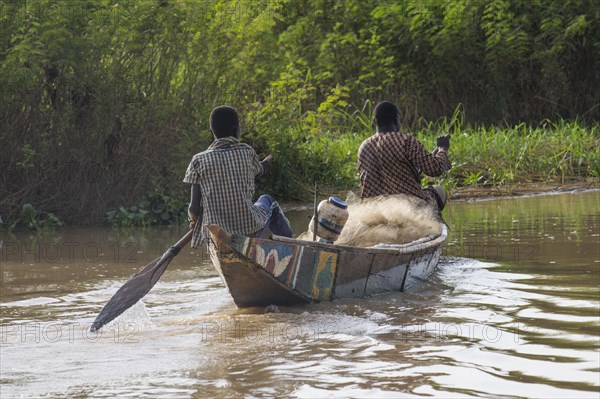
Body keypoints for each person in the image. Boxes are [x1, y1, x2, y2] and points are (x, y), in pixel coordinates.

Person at [183, 106, 293, 248]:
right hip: (249, 230)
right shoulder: (247, 152)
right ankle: (290, 243)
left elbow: (194, 209)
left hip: (217, 236)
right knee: (268, 201)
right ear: (237, 130)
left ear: (212, 132)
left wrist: (193, 221)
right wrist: (265, 163)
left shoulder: (198, 160)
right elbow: (259, 170)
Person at [357, 101, 451, 215]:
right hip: (409, 208)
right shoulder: (406, 141)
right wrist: (442, 149)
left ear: (374, 122)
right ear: (397, 119)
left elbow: (401, 170)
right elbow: (435, 169)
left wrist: (432, 154)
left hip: (374, 211)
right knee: (439, 191)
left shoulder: (364, 147)